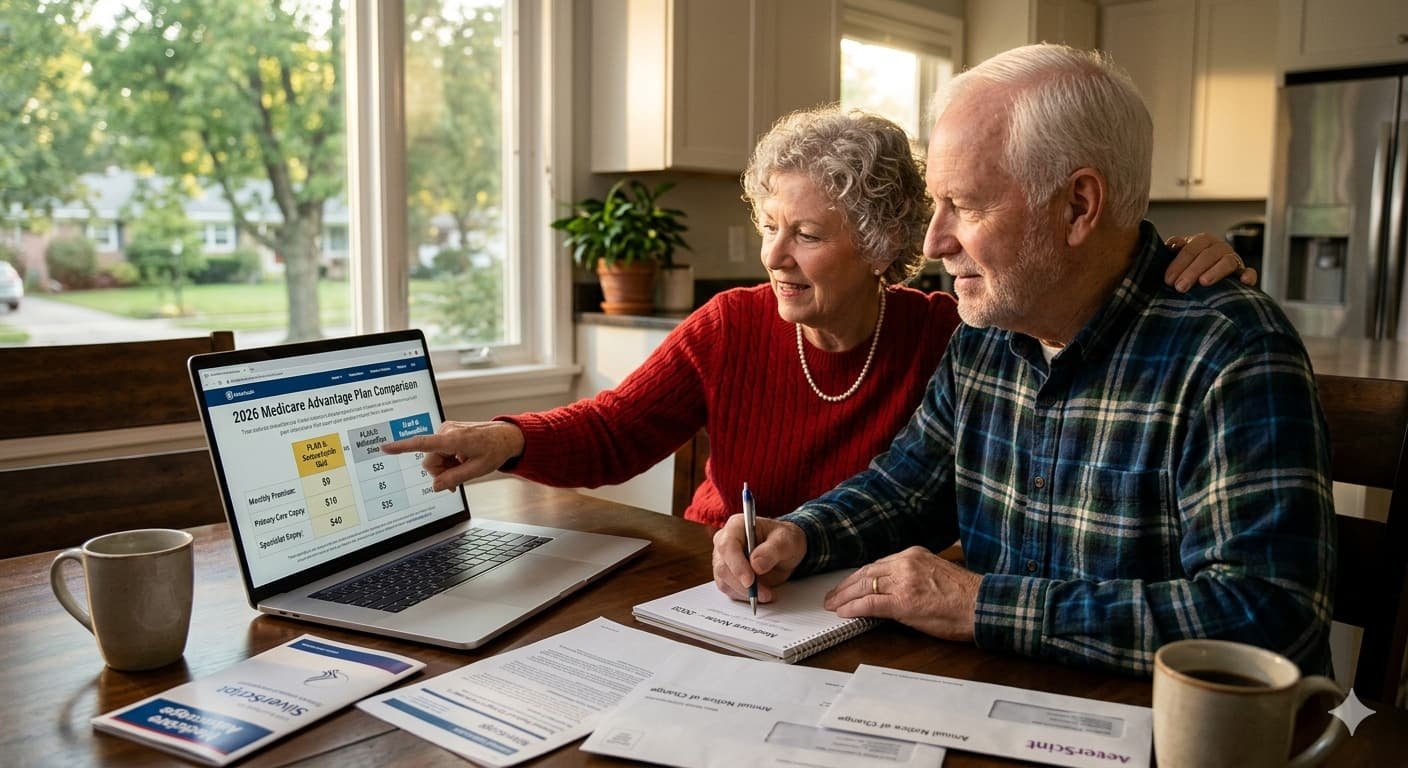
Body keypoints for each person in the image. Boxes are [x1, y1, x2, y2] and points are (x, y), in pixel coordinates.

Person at [711, 45, 1334, 677]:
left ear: (1078, 207)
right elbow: (906, 488)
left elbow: (1268, 614)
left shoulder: (1229, 348)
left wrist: (983, 604)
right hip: (988, 702)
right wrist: (801, 534)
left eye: (968, 205)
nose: (933, 242)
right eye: (937, 204)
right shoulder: (985, 332)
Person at [384, 106, 1253, 530]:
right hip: (723, 584)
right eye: (770, 226)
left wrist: (1181, 258)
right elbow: (615, 431)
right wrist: (509, 439)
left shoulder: (960, 336)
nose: (772, 257)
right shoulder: (732, 324)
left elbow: (1077, 284)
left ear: (881, 246)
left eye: (805, 234)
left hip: (871, 613)